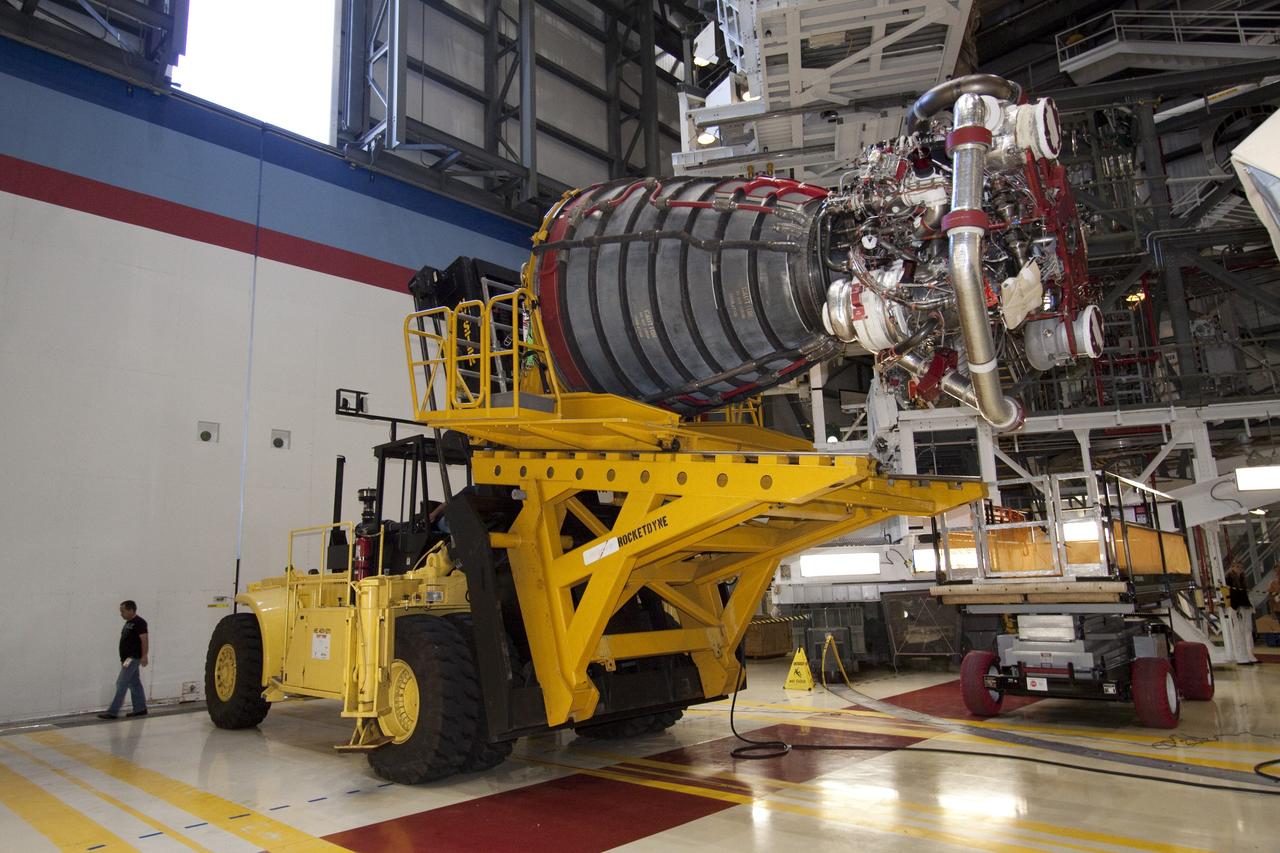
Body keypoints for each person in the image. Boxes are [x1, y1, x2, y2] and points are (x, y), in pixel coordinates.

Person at [98, 600, 149, 719]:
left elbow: (144, 639)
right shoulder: (128, 623)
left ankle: (112, 711)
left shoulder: (139, 622)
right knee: (134, 682)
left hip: (133, 657)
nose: (121, 614)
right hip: (127, 658)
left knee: (121, 683)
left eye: (123, 611)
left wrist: (144, 655)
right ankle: (140, 708)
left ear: (131, 610)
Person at [1225, 563, 1259, 665]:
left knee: (1248, 631)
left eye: (1241, 567)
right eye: (1237, 567)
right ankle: (1241, 656)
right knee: (1239, 631)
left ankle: (1250, 654)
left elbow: (1244, 593)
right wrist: (1236, 607)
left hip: (1245, 606)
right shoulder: (1229, 579)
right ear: (1232, 567)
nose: (1240, 569)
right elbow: (1230, 594)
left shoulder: (1242, 579)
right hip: (1236, 607)